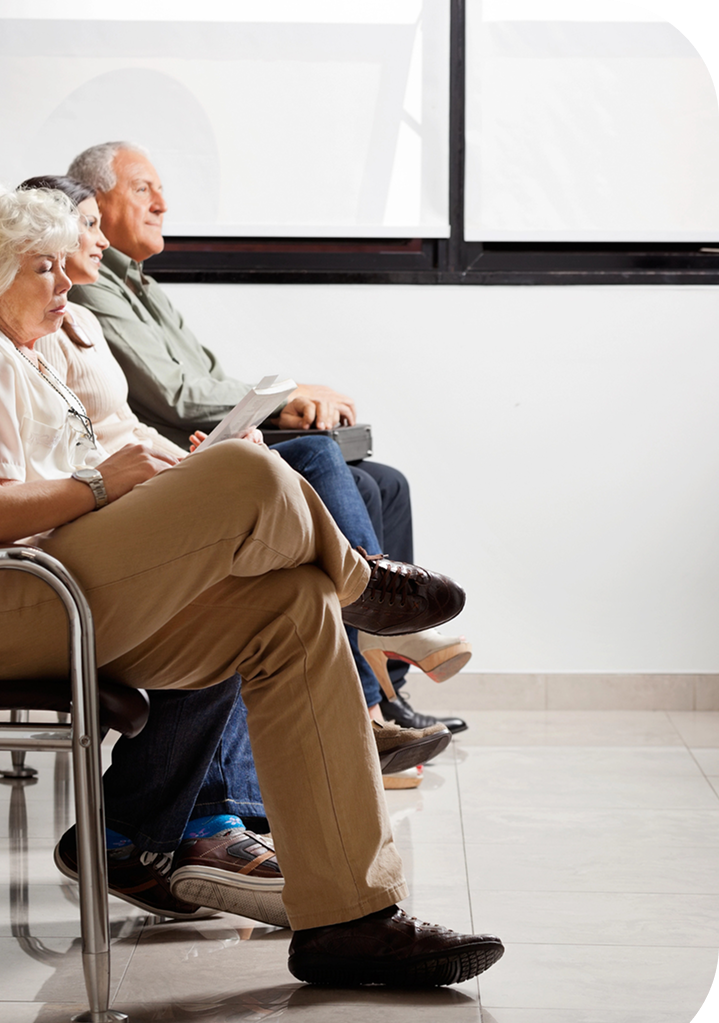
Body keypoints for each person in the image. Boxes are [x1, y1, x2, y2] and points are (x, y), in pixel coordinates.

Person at [0, 67, 503, 988]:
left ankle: (351, 915)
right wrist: (88, 491)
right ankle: (367, 589)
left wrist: (73, 498)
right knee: (246, 474)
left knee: (289, 602)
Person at [0, 107, 284, 924]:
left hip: (46, 550)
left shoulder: (21, 346)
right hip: (14, 572)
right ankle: (169, 824)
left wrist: (146, 480)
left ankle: (186, 823)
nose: (68, 283)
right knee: (241, 549)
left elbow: (67, 468)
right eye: (44, 267)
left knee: (248, 533)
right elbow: (1, 511)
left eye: (63, 265)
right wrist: (115, 490)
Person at [66, 142, 469, 733]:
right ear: (95, 201)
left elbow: (207, 376)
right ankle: (366, 698)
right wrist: (288, 399)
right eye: (142, 189)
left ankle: (388, 679)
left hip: (210, 444)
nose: (162, 204)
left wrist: (288, 397)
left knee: (387, 484)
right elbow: (176, 394)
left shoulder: (141, 286)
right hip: (189, 455)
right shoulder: (91, 288)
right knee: (342, 469)